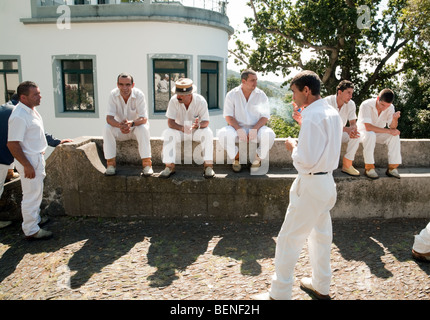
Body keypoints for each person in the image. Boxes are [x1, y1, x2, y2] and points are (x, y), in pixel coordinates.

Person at [254, 71, 342, 300]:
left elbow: (306, 159)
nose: (293, 97)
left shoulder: (313, 115)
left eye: (294, 91)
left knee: (288, 239)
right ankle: (321, 285)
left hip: (311, 185)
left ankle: (279, 293)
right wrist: (302, 123)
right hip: (327, 183)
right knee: (321, 237)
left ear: (306, 90)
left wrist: (293, 145)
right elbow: (323, 142)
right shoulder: (330, 111)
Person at [7, 81, 52, 240]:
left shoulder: (30, 111)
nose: (40, 97)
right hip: (29, 160)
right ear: (23, 97)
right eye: (36, 94)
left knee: (36, 194)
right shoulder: (19, 116)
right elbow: (12, 143)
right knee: (31, 196)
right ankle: (31, 230)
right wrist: (27, 165)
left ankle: (35, 221)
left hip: (36, 158)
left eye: (39, 93)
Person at [217, 69, 275, 173]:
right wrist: (239, 129)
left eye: (256, 80)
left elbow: (265, 116)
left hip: (256, 128)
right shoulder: (231, 94)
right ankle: (236, 159)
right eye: (253, 80)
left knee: (270, 134)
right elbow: (228, 116)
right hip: (236, 128)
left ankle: (257, 160)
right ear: (244, 81)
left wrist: (255, 129)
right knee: (222, 134)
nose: (256, 83)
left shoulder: (261, 95)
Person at [160, 78, 215, 179]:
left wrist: (197, 126)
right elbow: (170, 122)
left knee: (208, 132)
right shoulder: (173, 100)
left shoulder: (200, 101)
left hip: (195, 131)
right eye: (177, 93)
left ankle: (208, 166)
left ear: (189, 94)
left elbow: (206, 122)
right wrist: (182, 128)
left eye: (181, 94)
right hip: (180, 131)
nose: (178, 96)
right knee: (168, 133)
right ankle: (169, 166)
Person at [103, 73, 153, 177]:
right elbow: (109, 118)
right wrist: (120, 125)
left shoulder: (139, 94)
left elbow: (144, 118)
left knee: (143, 128)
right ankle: (111, 164)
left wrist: (132, 123)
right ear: (117, 85)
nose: (124, 88)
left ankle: (147, 164)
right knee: (107, 128)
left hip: (135, 129)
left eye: (127, 84)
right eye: (121, 84)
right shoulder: (113, 94)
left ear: (132, 85)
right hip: (120, 129)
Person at [357, 89, 401, 179]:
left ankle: (392, 168)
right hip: (363, 132)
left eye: (387, 106)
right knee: (370, 134)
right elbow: (368, 127)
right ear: (377, 98)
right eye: (382, 105)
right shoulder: (366, 105)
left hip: (379, 133)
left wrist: (395, 119)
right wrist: (389, 131)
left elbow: (392, 127)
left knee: (394, 136)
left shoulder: (390, 107)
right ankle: (369, 168)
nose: (384, 108)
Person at [324, 80, 361, 176]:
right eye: (348, 93)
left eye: (352, 93)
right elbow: (328, 124)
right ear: (339, 92)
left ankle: (347, 165)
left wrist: (353, 129)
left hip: (340, 133)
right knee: (333, 134)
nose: (351, 96)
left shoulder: (351, 104)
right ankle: (327, 166)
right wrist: (346, 129)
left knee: (357, 136)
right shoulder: (327, 102)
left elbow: (353, 122)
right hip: (327, 134)